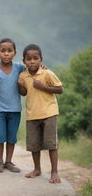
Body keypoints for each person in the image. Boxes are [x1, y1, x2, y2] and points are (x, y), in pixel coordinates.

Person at [18, 44, 63, 183]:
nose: (32, 61)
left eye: (35, 58)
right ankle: (37, 169)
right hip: (32, 114)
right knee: (34, 144)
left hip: (49, 112)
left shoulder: (47, 73)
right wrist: (20, 85)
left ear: (41, 60)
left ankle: (54, 172)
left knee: (51, 144)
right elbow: (24, 93)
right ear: (24, 60)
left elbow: (60, 89)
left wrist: (43, 87)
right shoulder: (23, 75)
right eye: (29, 59)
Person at [0, 38, 25, 173]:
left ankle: (9, 161)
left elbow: (32, 70)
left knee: (11, 136)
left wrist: (42, 67)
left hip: (15, 109)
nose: (6, 53)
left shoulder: (20, 68)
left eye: (9, 51)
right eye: (3, 51)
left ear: (15, 53)